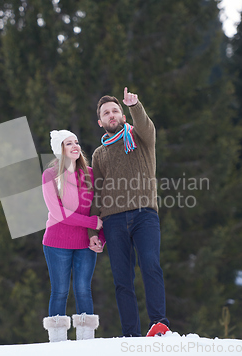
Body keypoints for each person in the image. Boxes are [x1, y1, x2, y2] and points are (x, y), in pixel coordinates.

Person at [88, 87, 170, 337]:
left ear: (123, 116)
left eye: (115, 111)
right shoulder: (99, 155)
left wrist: (135, 106)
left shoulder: (140, 137)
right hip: (113, 220)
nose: (112, 115)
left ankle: (159, 323)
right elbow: (97, 192)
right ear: (100, 122)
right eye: (106, 113)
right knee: (122, 279)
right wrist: (94, 230)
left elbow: (147, 126)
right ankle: (130, 334)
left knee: (150, 264)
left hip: (145, 214)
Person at [41, 130, 105, 342]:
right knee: (60, 290)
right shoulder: (50, 176)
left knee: (83, 289)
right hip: (57, 242)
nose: (75, 146)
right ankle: (57, 343)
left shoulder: (90, 174)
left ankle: (86, 341)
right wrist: (90, 223)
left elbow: (99, 209)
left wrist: (100, 236)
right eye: (69, 143)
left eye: (76, 142)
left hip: (85, 243)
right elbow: (58, 213)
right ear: (60, 150)